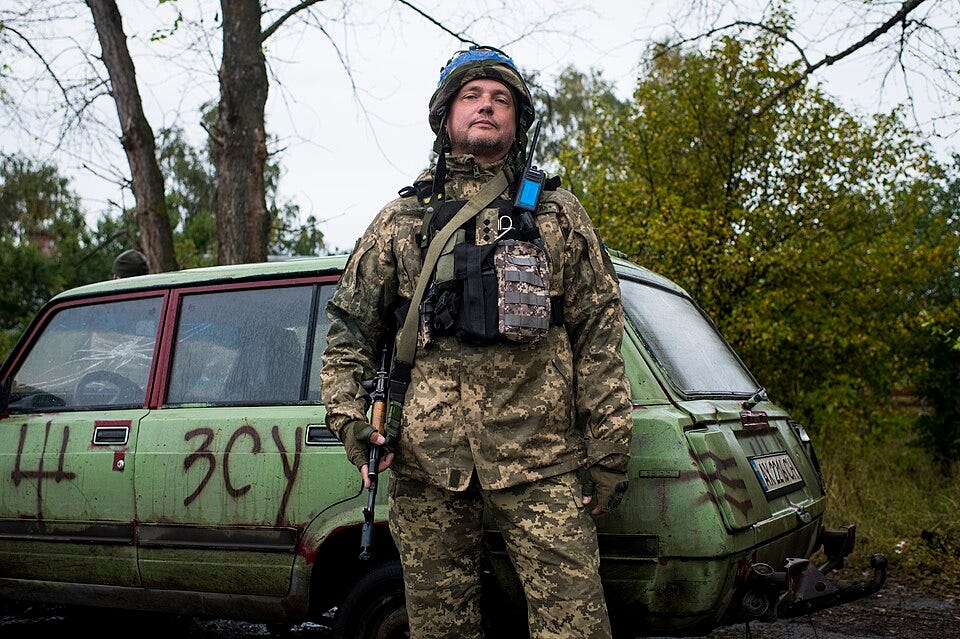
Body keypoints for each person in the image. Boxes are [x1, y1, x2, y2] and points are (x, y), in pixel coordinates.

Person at [320, 46, 633, 639]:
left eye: (501, 99)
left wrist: (609, 450)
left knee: (575, 624)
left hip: (541, 458)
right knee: (440, 628)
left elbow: (599, 334)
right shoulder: (401, 220)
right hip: (428, 462)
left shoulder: (558, 214)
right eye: (472, 96)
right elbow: (349, 330)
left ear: (517, 120)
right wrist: (351, 421)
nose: (486, 106)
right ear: (446, 115)